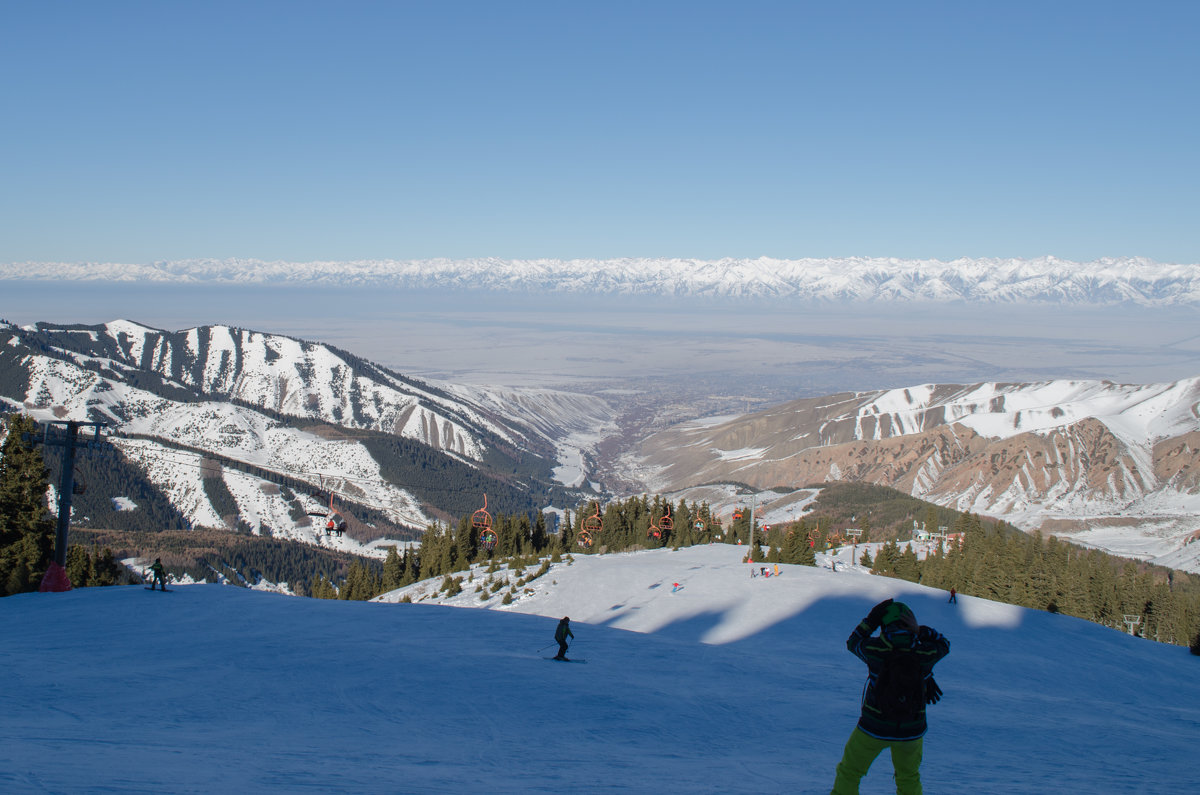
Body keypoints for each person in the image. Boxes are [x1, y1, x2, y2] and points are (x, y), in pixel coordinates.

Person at [831, 599, 949, 795]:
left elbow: (853, 643)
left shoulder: (875, 649)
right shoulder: (924, 651)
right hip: (912, 729)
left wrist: (870, 621)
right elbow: (944, 644)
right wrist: (920, 631)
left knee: (850, 772)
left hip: (873, 726)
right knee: (908, 777)